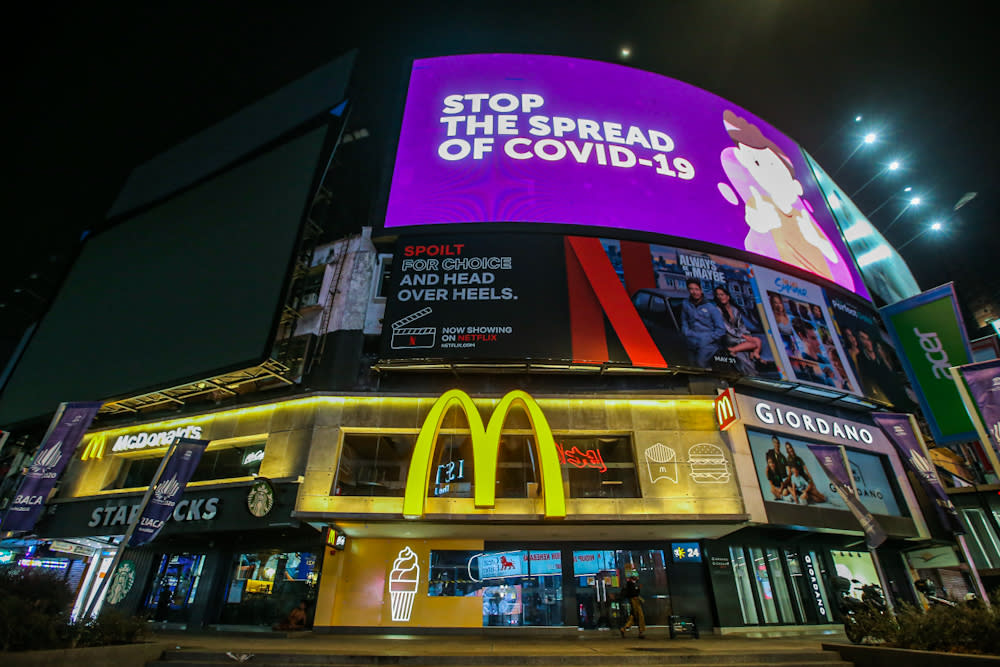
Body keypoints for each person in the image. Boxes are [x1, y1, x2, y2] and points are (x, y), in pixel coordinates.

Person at [714, 286, 762, 375]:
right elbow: (726, 328)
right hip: (728, 336)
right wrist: (744, 336)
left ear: (728, 296)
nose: (720, 297)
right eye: (718, 295)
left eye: (722, 294)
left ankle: (754, 354)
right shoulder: (717, 310)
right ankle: (732, 349)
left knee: (757, 340)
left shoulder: (734, 309)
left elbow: (741, 325)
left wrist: (747, 335)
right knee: (752, 343)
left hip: (738, 335)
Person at [681, 278, 727, 368]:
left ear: (701, 290)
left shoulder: (711, 307)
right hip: (691, 341)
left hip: (707, 344)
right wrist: (686, 332)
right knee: (690, 365)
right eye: (691, 289)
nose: (694, 292)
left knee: (700, 364)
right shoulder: (685, 303)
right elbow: (684, 320)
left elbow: (721, 329)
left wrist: (706, 339)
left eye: (696, 289)